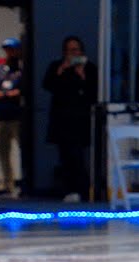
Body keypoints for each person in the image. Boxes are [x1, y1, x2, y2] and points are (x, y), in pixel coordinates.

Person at [43, 36, 97, 202]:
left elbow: (93, 91)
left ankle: (82, 189)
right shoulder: (56, 66)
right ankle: (68, 190)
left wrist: (82, 76)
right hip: (62, 119)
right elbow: (48, 85)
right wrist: (61, 70)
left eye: (76, 50)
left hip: (80, 119)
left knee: (78, 155)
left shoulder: (89, 68)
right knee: (65, 155)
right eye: (69, 50)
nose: (73, 54)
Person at [0, 38, 25, 197]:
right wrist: (6, 95)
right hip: (1, 115)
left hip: (17, 116)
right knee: (2, 151)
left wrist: (9, 94)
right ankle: (6, 182)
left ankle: (25, 181)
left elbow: (21, 90)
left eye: (12, 49)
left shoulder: (22, 70)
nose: (9, 53)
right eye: (7, 50)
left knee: (22, 148)